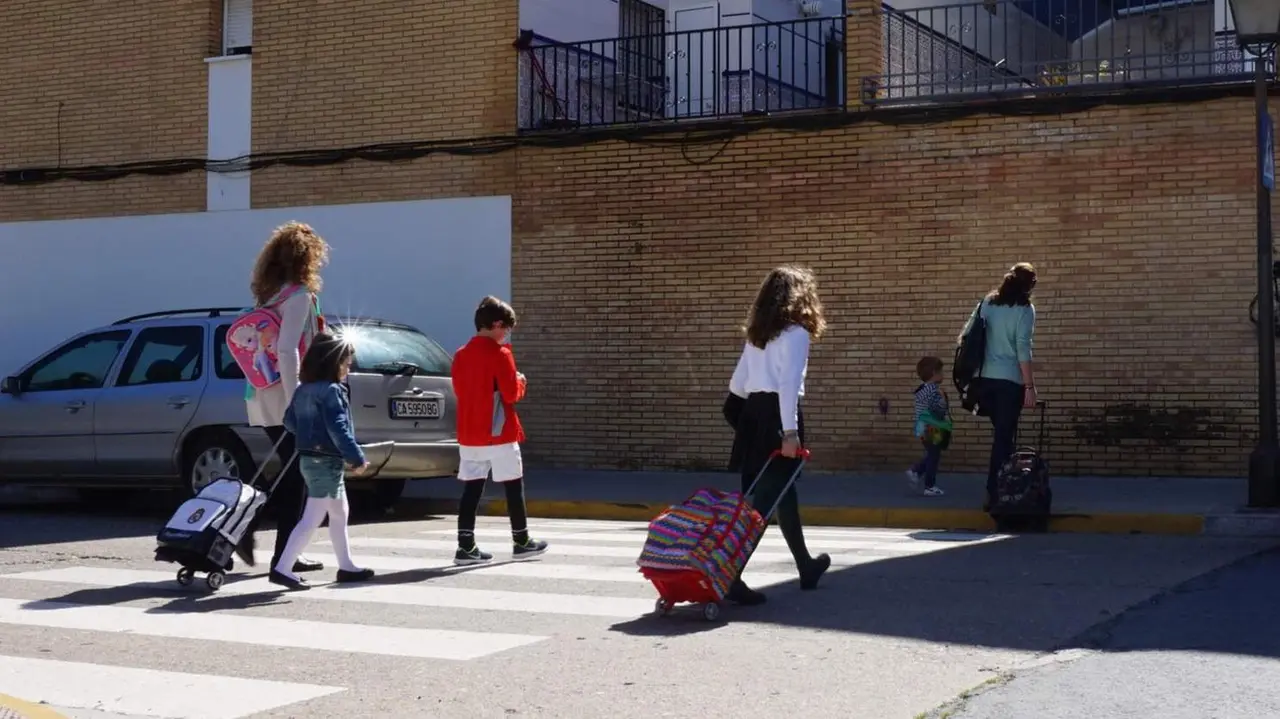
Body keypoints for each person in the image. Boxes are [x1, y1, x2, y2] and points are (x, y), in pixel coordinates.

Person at [724, 265, 832, 605]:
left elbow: (737, 385)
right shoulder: (796, 333)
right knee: (763, 506)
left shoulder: (757, 335)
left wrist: (748, 423)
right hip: (777, 417)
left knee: (782, 493)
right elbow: (788, 386)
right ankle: (731, 576)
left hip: (753, 416)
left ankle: (806, 565)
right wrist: (789, 431)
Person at [236, 222, 329, 574]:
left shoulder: (271, 296)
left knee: (294, 472)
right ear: (307, 259)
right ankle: (265, 540)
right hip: (284, 397)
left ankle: (281, 548)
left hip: (260, 393)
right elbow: (288, 351)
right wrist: (297, 403)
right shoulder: (299, 296)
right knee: (298, 473)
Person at [270, 333, 375, 589]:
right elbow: (338, 429)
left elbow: (289, 422)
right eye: (346, 364)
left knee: (339, 513)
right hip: (326, 461)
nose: (348, 369)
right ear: (333, 363)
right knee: (313, 516)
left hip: (309, 458)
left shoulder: (303, 389)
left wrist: (308, 434)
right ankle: (282, 568)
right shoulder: (332, 391)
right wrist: (357, 458)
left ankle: (347, 565)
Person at [449, 296, 548, 565]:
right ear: (495, 324)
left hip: (470, 432)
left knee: (471, 489)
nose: (507, 333)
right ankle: (522, 541)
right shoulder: (501, 354)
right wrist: (521, 381)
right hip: (499, 430)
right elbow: (510, 393)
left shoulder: (460, 354)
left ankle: (466, 546)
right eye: (507, 327)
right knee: (513, 485)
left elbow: (459, 391)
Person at [958, 262, 1038, 509]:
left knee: (1002, 438)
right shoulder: (1025, 310)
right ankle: (996, 493)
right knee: (1003, 439)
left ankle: (1001, 487)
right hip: (1008, 383)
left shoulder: (987, 304)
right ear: (1029, 285)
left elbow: (966, 336)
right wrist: (1029, 386)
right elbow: (1023, 348)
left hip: (983, 382)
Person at [907, 356, 952, 497]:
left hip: (923, 428)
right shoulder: (934, 390)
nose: (943, 375)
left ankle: (917, 472)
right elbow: (938, 410)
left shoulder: (922, 389)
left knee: (932, 454)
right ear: (934, 373)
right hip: (933, 428)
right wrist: (944, 399)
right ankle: (928, 485)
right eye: (941, 371)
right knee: (934, 456)